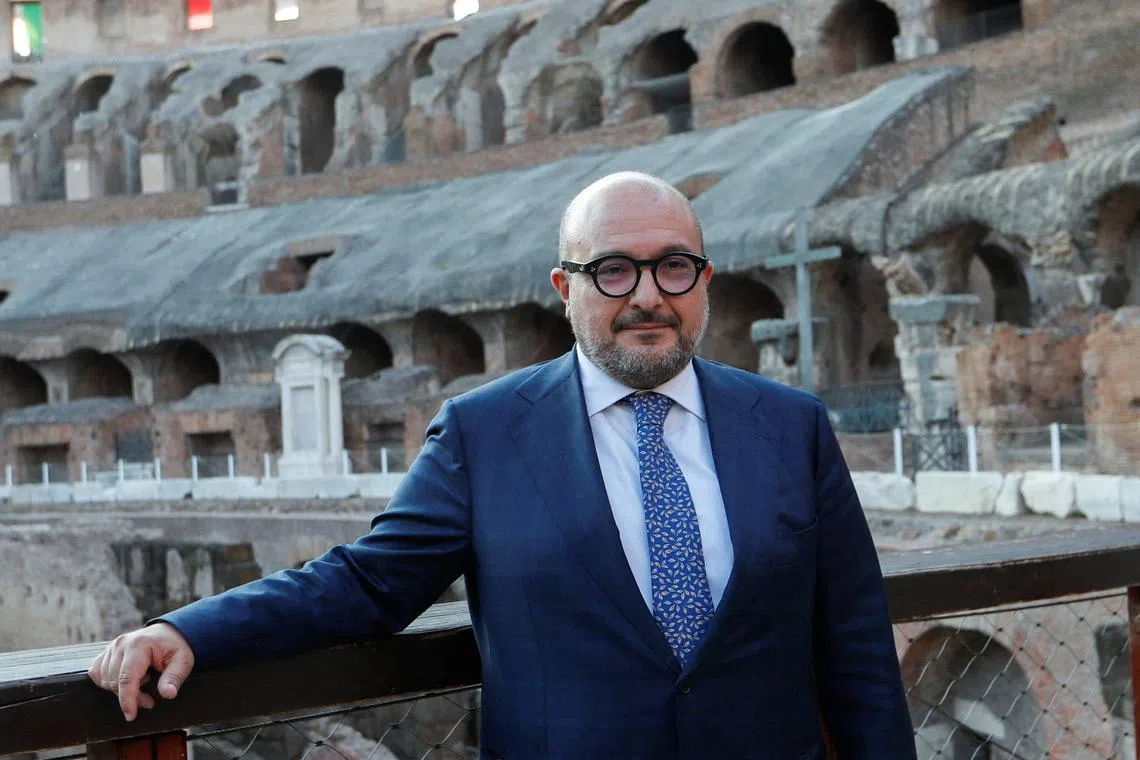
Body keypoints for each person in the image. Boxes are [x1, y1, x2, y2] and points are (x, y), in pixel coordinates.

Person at [90, 172, 917, 759]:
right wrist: (187, 629)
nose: (647, 296)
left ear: (704, 281)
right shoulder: (485, 433)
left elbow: (855, 642)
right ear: (565, 287)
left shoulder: (790, 425)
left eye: (674, 266)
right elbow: (369, 583)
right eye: (613, 270)